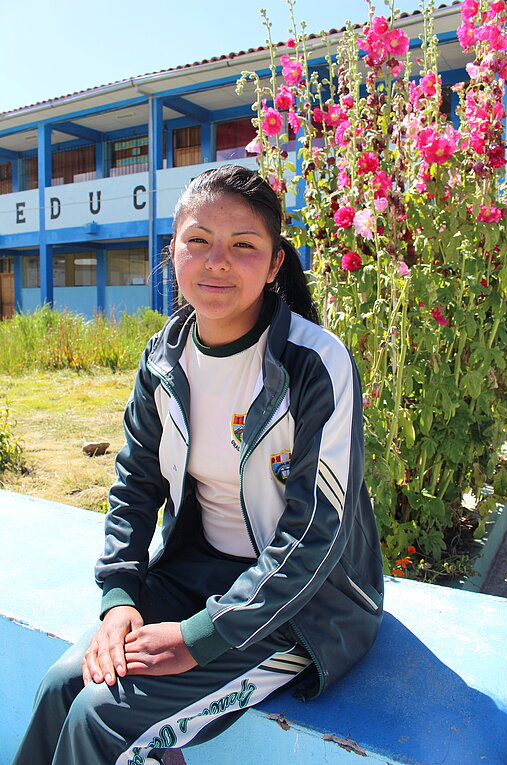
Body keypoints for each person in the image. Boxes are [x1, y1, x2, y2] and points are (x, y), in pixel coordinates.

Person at [13, 165, 384, 765]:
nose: (217, 261)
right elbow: (134, 487)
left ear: (274, 264)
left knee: (103, 718)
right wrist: (119, 599)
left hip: (300, 607)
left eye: (243, 246)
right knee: (63, 686)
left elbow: (316, 532)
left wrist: (198, 639)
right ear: (172, 251)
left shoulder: (316, 365)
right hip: (191, 575)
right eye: (198, 240)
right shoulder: (163, 360)